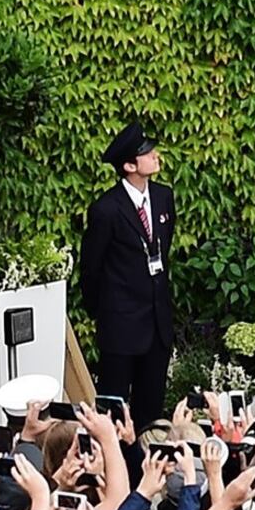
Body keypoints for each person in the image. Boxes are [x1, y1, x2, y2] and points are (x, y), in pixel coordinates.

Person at [75, 120, 180, 422]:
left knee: (151, 408)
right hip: (120, 327)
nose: (155, 155)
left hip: (157, 323)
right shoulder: (106, 209)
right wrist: (108, 313)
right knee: (115, 411)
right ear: (129, 165)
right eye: (147, 153)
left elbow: (164, 246)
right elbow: (91, 269)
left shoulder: (163, 197)